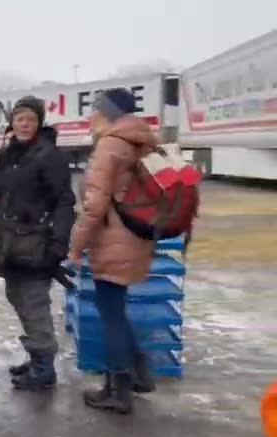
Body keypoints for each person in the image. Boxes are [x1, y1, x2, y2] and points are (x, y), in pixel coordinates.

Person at [0, 96, 76, 391]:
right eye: (19, 118)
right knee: (18, 297)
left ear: (39, 123)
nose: (24, 124)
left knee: (33, 302)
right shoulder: (9, 153)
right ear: (12, 123)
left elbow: (65, 201)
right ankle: (37, 355)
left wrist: (58, 244)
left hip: (36, 245)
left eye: (30, 119)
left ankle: (44, 369)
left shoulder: (48, 155)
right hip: (11, 243)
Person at [68, 88, 159, 414]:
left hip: (113, 239)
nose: (91, 116)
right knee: (116, 311)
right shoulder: (142, 141)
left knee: (111, 316)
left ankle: (117, 391)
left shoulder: (110, 145)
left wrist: (76, 248)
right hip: (137, 235)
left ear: (106, 113)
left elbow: (94, 207)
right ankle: (141, 376)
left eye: (95, 110)